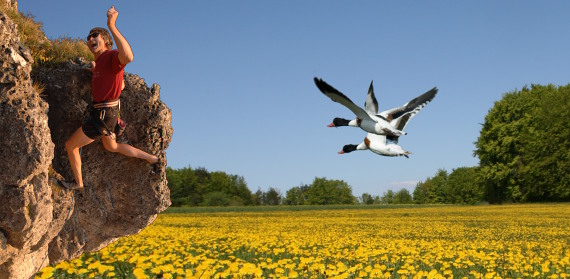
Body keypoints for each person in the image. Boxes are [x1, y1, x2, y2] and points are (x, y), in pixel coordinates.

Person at [61, 6, 158, 190]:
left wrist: (111, 25)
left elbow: (128, 56)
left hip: (103, 115)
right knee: (112, 147)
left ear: (105, 40)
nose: (90, 39)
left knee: (71, 146)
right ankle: (151, 158)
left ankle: (78, 183)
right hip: (109, 114)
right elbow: (119, 84)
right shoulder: (100, 63)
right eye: (88, 37)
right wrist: (94, 70)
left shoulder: (111, 56)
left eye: (95, 35)